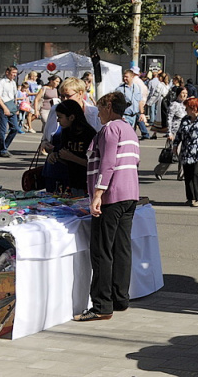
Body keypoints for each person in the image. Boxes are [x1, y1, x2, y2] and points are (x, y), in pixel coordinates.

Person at [74, 91, 140, 322]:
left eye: (101, 108)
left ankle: (102, 304)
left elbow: (108, 162)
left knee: (102, 250)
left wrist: (98, 194)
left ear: (109, 106)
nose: (98, 113)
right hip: (130, 194)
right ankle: (120, 297)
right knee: (121, 248)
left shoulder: (111, 129)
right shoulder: (129, 129)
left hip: (112, 195)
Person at [41, 99, 96, 196]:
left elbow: (94, 164)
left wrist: (71, 157)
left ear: (71, 117)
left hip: (86, 184)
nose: (58, 120)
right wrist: (54, 155)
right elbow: (63, 155)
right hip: (69, 182)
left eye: (60, 117)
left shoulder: (89, 134)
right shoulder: (66, 132)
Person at [0, 65, 20, 157]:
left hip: (11, 106)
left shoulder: (13, 83)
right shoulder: (2, 82)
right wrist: (4, 108)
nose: (14, 75)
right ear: (7, 72)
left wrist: (16, 108)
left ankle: (4, 146)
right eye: (13, 73)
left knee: (15, 128)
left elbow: (14, 97)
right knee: (3, 130)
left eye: (15, 73)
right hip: (3, 106)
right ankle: (3, 150)